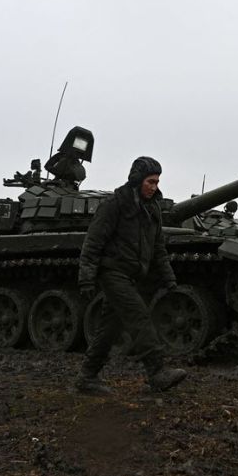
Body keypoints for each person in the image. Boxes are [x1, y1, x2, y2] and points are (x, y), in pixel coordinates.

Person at [75, 156, 187, 394]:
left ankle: (86, 377)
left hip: (131, 274)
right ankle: (157, 372)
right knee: (139, 315)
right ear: (137, 180)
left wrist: (169, 278)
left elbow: (158, 248)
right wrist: (86, 278)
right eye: (150, 181)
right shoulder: (115, 204)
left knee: (110, 328)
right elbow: (93, 242)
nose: (154, 186)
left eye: (157, 182)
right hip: (113, 271)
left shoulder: (152, 208)